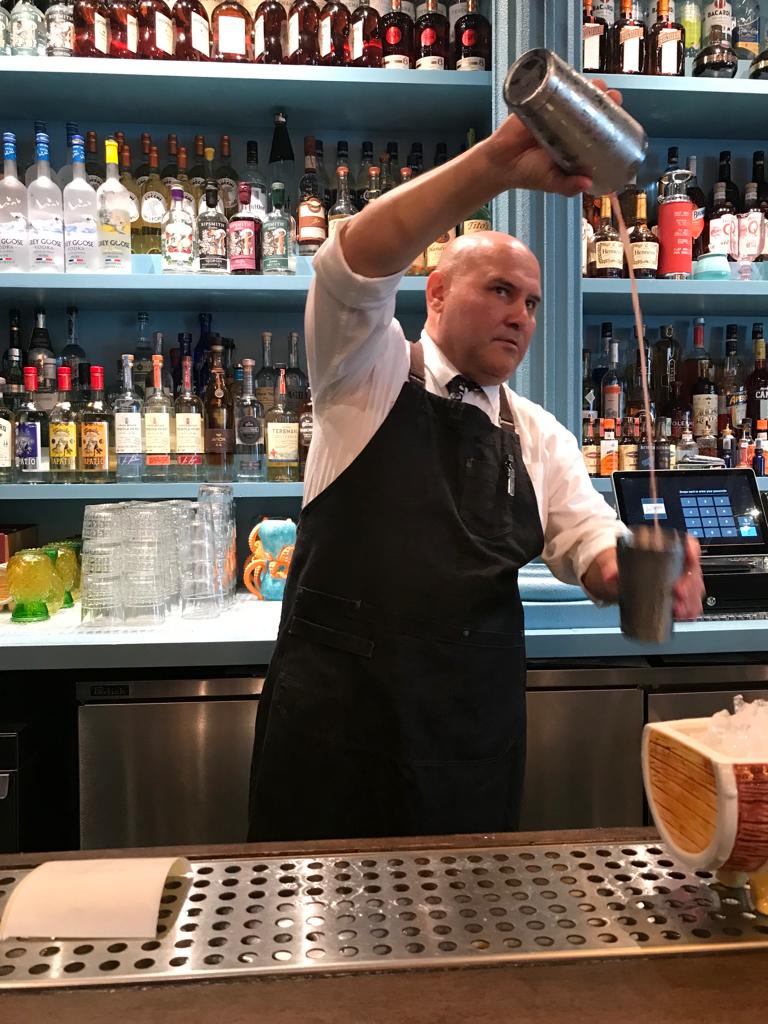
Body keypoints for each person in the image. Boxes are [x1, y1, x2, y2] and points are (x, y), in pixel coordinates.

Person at [248, 98, 705, 842]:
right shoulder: (364, 376)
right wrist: (497, 161)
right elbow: (350, 261)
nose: (521, 315)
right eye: (499, 290)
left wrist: (636, 572)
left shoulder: (539, 435)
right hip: (334, 739)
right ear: (434, 293)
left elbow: (589, 543)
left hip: (469, 743)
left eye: (530, 301)